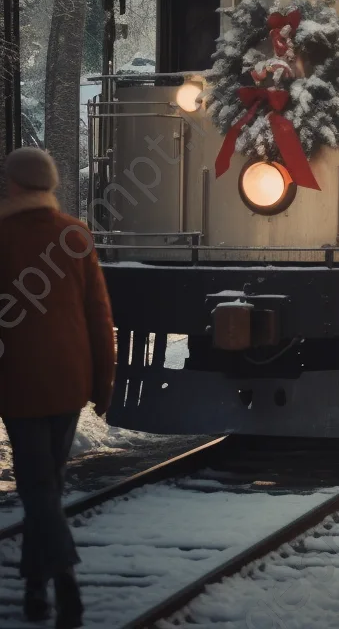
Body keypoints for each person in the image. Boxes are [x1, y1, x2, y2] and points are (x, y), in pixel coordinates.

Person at [0, 148, 115, 628]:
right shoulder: (75, 235)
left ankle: (63, 583)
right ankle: (35, 589)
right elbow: (98, 315)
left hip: (20, 383)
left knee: (38, 487)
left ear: (12, 186)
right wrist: (103, 384)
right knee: (47, 486)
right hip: (70, 380)